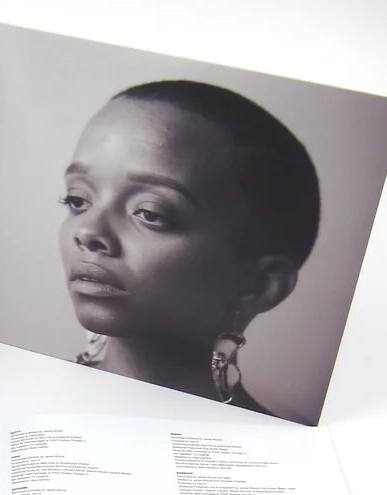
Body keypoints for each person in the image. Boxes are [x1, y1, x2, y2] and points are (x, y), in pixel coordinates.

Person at [59, 80, 320, 412]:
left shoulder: (281, 442)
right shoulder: (24, 393)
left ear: (261, 285)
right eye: (77, 200)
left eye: (150, 213)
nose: (88, 231)